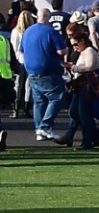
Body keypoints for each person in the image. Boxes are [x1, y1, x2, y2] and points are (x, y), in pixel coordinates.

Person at [21, 8, 68, 140]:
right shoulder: (51, 31)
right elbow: (61, 51)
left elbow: (22, 50)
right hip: (49, 71)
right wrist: (65, 50)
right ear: (48, 17)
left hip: (32, 71)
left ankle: (39, 130)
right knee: (57, 98)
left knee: (39, 101)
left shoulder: (27, 32)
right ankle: (45, 127)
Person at [58, 21, 99, 149]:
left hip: (87, 85)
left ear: (83, 41)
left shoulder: (89, 51)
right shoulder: (83, 52)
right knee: (74, 112)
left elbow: (90, 66)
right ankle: (95, 134)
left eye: (76, 44)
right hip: (79, 85)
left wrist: (74, 67)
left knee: (84, 114)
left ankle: (87, 141)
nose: (75, 47)